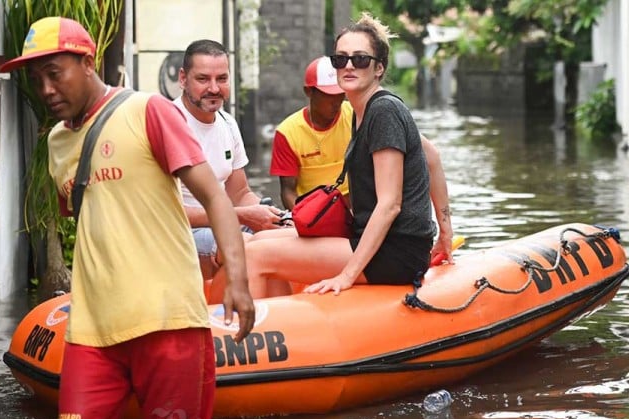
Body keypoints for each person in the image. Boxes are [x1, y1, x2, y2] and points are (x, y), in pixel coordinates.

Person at [0, 17, 255, 419]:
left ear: (87, 62)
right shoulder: (56, 143)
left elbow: (217, 198)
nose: (45, 90)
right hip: (93, 326)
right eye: (36, 78)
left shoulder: (147, 111)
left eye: (55, 74)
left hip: (167, 319)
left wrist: (239, 282)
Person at [230, 12, 450, 299]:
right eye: (340, 59)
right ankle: (284, 322)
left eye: (360, 59)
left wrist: (347, 275)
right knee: (257, 240)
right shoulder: (363, 112)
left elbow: (390, 205)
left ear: (379, 68)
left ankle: (256, 336)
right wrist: (444, 232)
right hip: (376, 239)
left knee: (256, 256)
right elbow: (431, 155)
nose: (348, 65)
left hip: (394, 252)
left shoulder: (384, 112)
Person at [173, 39, 284, 278]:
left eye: (222, 79)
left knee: (285, 236)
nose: (214, 88)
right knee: (245, 245)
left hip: (225, 220)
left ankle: (278, 311)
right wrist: (242, 216)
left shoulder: (227, 123)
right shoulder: (167, 124)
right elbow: (164, 212)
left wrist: (272, 214)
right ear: (183, 79)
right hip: (179, 232)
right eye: (203, 79)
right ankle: (231, 312)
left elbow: (240, 193)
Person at [270, 56, 352, 210]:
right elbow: (288, 191)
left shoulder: (356, 116)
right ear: (309, 92)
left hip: (355, 210)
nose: (336, 101)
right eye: (328, 94)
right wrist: (305, 220)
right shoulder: (288, 133)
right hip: (313, 214)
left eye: (340, 93)